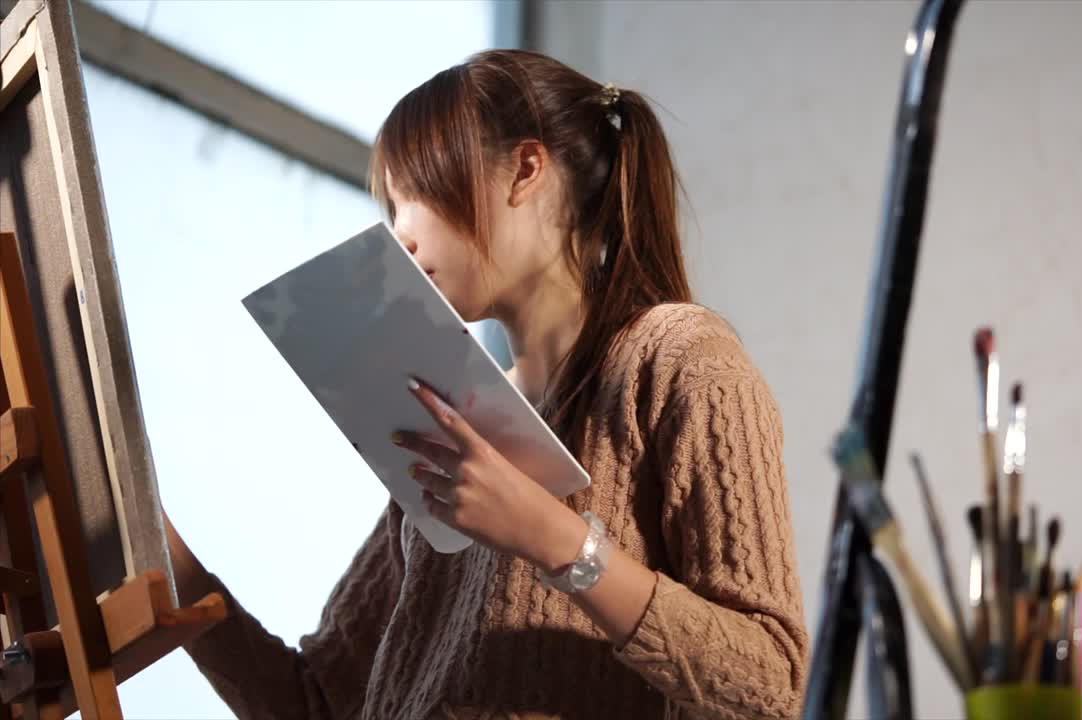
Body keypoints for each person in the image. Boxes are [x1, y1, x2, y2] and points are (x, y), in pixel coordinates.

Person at [166, 49, 808, 720]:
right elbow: (317, 703)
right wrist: (167, 564)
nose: (401, 235)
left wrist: (549, 536)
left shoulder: (681, 359)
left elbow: (769, 685)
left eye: (413, 193)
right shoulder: (457, 415)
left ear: (525, 169)